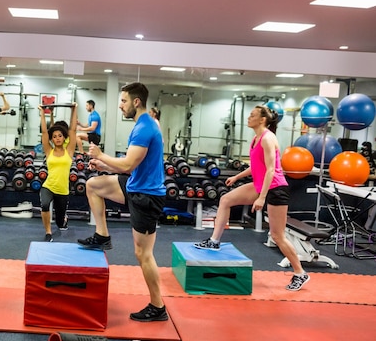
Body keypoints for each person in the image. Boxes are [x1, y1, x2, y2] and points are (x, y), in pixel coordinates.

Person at [194, 105, 310, 292]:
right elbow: (257, 166)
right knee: (225, 200)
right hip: (260, 184)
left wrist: (262, 198)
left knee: (277, 235)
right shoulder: (256, 138)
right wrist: (238, 177)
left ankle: (300, 272)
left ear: (262, 119)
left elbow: (271, 169)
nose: (249, 118)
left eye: (252, 115)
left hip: (275, 189)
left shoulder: (268, 138)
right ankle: (214, 241)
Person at [77, 82, 167, 322]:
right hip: (135, 185)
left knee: (143, 253)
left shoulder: (145, 127)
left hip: (147, 195)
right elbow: (131, 164)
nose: (120, 106)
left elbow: (127, 165)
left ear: (136, 102)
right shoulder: (141, 124)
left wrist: (100, 156)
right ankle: (102, 236)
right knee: (93, 185)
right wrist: (104, 165)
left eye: (124, 101)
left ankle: (158, 307)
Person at [38, 103, 78, 242]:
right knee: (44, 204)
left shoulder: (69, 151)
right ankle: (48, 232)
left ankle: (63, 219)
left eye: (60, 136)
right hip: (48, 186)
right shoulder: (49, 151)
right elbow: (44, 132)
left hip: (63, 190)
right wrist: (43, 113)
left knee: (60, 222)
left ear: (63, 137)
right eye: (54, 136)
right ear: (52, 139)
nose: (57, 138)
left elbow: (73, 130)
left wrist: (75, 110)